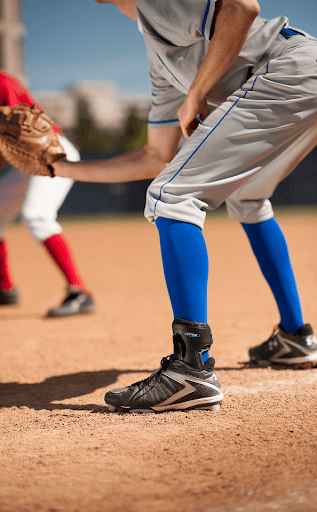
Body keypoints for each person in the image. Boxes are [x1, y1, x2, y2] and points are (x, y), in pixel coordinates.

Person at [51, 0, 317, 412]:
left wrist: (196, 92)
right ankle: (294, 336)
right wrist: (58, 168)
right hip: (303, 75)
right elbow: (154, 157)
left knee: (172, 196)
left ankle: (191, 368)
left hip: (290, 69)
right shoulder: (160, 57)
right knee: (246, 197)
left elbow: (242, 7)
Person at [0, 35, 95, 318]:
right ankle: (5, 289)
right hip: (23, 162)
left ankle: (80, 293)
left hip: (50, 152)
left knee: (36, 215)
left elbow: (8, 143)